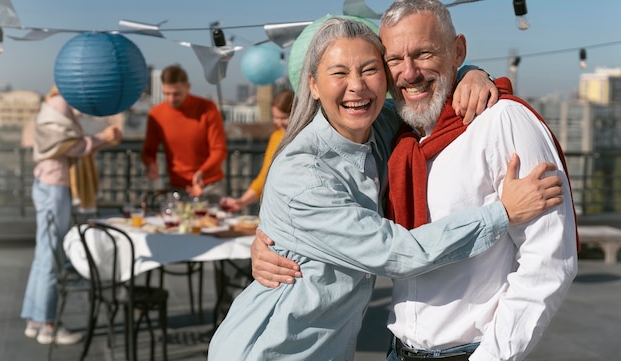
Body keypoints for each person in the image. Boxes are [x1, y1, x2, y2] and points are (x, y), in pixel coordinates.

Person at [207, 18, 564, 361]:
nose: (357, 86)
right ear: (313, 85)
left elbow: (423, 84)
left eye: (369, 69)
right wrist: (502, 213)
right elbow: (397, 253)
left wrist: (473, 73)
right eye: (339, 73)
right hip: (269, 350)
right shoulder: (305, 174)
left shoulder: (379, 127)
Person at [21, 84, 122, 345]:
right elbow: (72, 147)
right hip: (55, 185)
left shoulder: (52, 103)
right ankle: (48, 325)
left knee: (44, 253)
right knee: (53, 255)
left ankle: (36, 320)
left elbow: (70, 145)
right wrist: (103, 137)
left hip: (46, 182)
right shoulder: (60, 105)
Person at [142, 64, 227, 200]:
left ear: (188, 87)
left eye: (176, 94)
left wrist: (201, 173)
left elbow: (219, 150)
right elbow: (148, 151)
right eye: (166, 94)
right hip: (177, 187)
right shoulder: (156, 114)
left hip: (209, 185)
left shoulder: (208, 109)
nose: (171, 99)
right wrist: (150, 164)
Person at [219, 89, 294, 212]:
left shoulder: (306, 137)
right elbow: (265, 176)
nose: (279, 123)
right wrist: (241, 202)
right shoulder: (276, 136)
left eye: (284, 118)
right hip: (277, 206)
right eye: (275, 117)